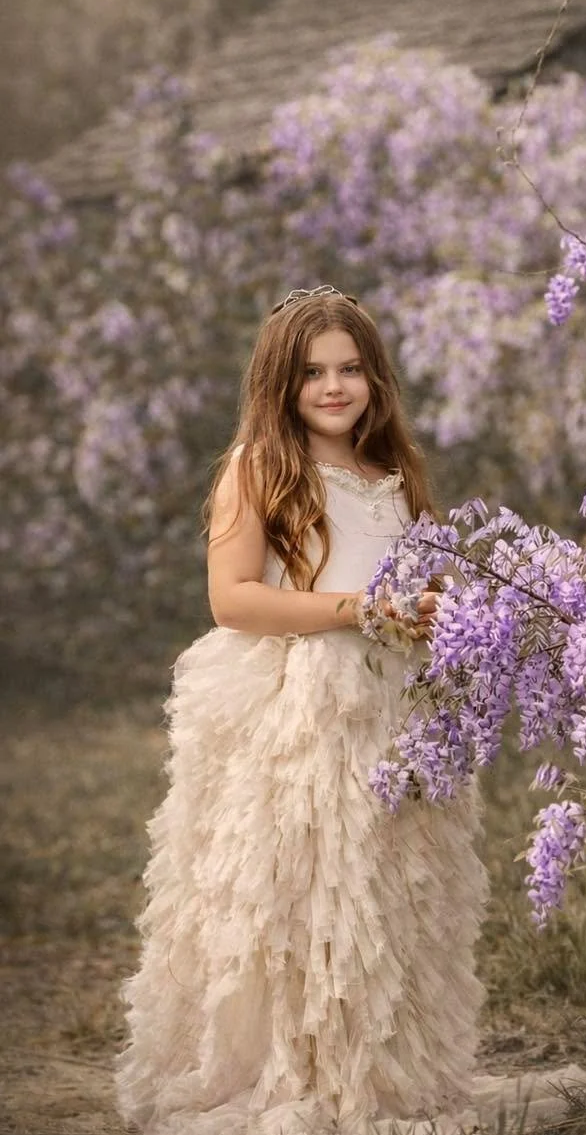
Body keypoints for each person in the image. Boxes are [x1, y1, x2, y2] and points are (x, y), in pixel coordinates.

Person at [116, 287, 489, 1135]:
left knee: (388, 891)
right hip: (303, 706)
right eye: (313, 372)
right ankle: (297, 1074)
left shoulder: (393, 475)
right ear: (280, 383)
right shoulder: (260, 465)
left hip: (393, 703)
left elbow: (414, 578)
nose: (333, 387)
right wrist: (356, 609)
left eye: (350, 369)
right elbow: (233, 598)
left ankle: (380, 1073)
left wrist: (438, 610)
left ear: (375, 379)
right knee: (304, 900)